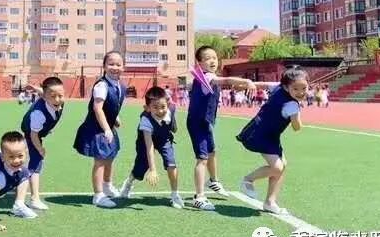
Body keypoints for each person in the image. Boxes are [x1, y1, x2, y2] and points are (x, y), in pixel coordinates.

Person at [188, 46, 269, 211]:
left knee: (212, 152)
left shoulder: (210, 77)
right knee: (202, 158)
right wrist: (246, 81)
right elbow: (226, 81)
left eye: (214, 58)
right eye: (207, 58)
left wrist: (244, 85)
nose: (212, 61)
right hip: (198, 123)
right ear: (200, 63)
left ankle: (214, 181)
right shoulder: (207, 77)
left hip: (206, 122)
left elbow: (224, 84)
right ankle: (199, 197)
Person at [237, 67, 306, 215]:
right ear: (286, 87)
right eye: (296, 89)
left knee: (282, 165)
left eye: (304, 88)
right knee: (277, 168)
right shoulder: (292, 105)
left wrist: (249, 85)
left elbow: (262, 84)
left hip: (270, 135)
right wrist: (297, 116)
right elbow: (297, 127)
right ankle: (247, 180)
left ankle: (270, 202)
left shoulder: (278, 87)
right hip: (259, 134)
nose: (300, 92)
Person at [73, 51, 126, 208]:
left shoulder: (119, 85)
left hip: (108, 126)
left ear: (123, 67)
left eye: (118, 64)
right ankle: (98, 195)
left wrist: (115, 117)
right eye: (111, 64)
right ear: (104, 66)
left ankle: (107, 185)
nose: (115, 67)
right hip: (97, 129)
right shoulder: (102, 85)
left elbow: (111, 105)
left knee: (110, 157)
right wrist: (106, 129)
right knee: (101, 160)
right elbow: (98, 108)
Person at [119, 86, 183, 209]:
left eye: (163, 107)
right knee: (140, 167)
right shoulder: (145, 120)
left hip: (164, 138)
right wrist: (153, 170)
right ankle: (129, 182)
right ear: (147, 108)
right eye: (155, 107)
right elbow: (149, 147)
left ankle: (175, 194)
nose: (160, 111)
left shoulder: (171, 108)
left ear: (168, 104)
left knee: (171, 164)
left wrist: (173, 125)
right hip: (145, 141)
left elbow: (173, 120)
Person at [19, 77, 65, 211]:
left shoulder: (55, 99)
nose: (57, 99)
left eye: (60, 95)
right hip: (31, 132)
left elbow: (44, 91)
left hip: (41, 129)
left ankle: (4, 155)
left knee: (29, 154)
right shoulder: (38, 113)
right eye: (53, 96)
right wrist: (40, 149)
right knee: (36, 162)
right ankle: (34, 199)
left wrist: (35, 88)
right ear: (45, 97)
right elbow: (33, 135)